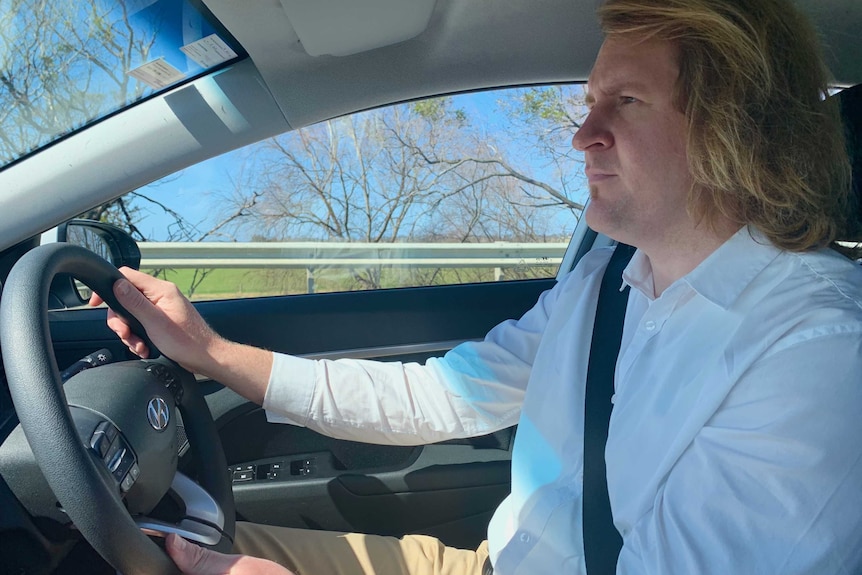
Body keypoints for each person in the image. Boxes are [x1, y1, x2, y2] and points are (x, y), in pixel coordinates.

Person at [95, 0, 862, 573]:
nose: (581, 133)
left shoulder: (816, 355)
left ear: (734, 128)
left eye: (625, 102)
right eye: (590, 100)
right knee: (133, 549)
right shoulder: (605, 283)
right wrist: (210, 350)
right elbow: (443, 396)